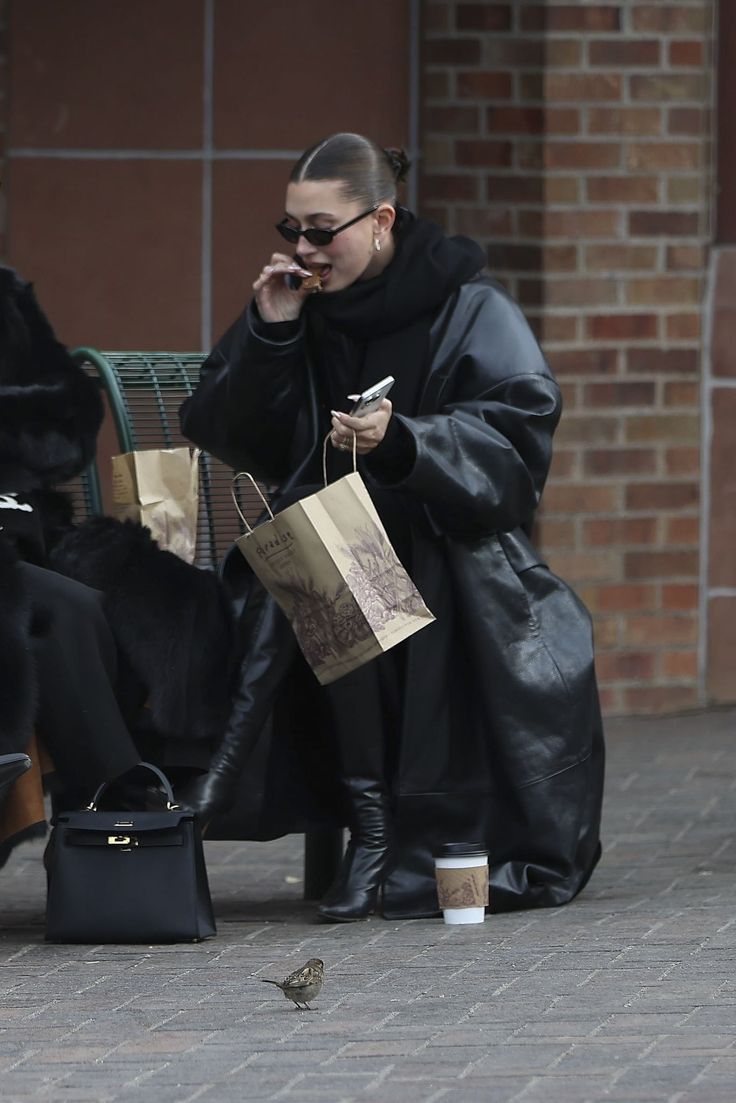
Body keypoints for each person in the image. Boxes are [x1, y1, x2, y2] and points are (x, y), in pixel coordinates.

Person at [179, 132, 605, 922]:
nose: (303, 249)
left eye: (321, 230)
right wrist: (269, 331)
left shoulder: (470, 305)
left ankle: (247, 797)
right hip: (325, 556)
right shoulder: (302, 307)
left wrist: (405, 441)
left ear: (380, 219)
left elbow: (517, 446)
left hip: (453, 554)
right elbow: (230, 431)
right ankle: (371, 828)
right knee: (327, 545)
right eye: (291, 230)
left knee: (328, 550)